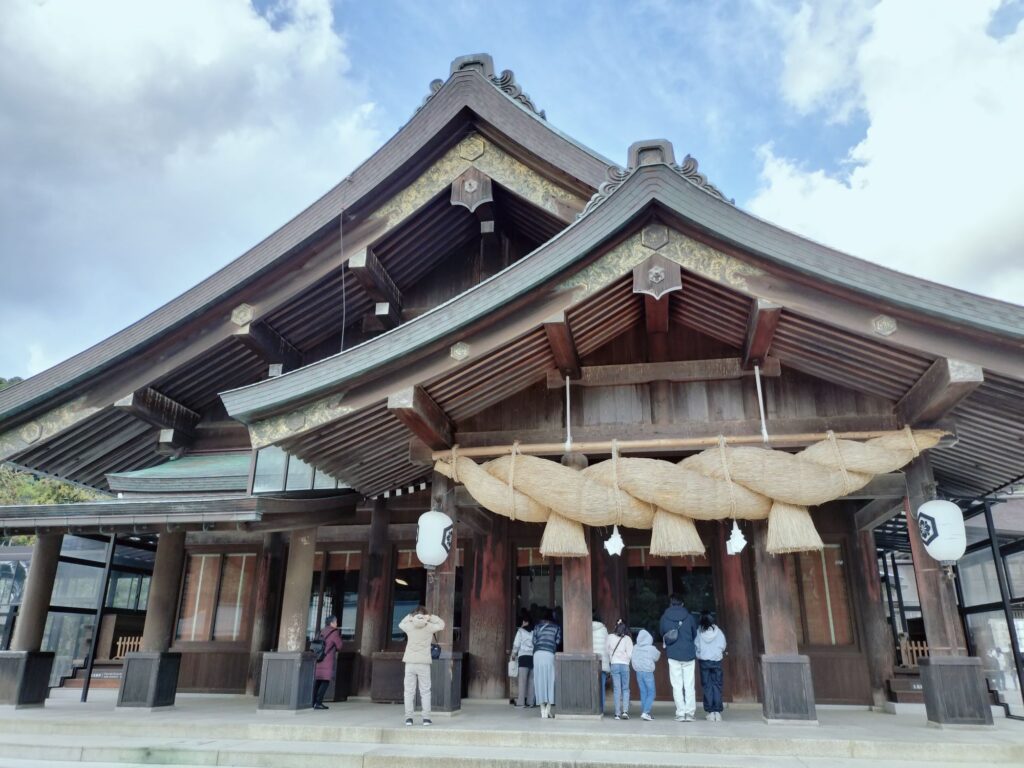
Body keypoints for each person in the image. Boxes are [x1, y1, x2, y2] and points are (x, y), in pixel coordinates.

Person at [399, 605, 444, 726]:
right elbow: (441, 624)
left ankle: (409, 718)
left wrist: (410, 617)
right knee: (425, 691)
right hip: (423, 663)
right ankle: (426, 718)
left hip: (410, 663)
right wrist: (430, 617)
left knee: (409, 691)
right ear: (425, 615)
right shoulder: (429, 626)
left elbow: (400, 624)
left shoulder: (409, 625)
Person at [659, 593, 698, 722]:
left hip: (673, 654)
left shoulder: (665, 617)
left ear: (671, 603)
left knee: (676, 685)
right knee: (689, 685)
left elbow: (662, 632)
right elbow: (694, 634)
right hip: (688, 654)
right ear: (682, 603)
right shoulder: (690, 617)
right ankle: (690, 713)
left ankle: (680, 713)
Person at [696, 612, 727, 721]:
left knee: (707, 686)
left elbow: (696, 646)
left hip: (704, 661)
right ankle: (717, 712)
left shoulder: (699, 632)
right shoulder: (719, 632)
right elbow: (723, 646)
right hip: (716, 661)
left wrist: (700, 654)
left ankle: (710, 711)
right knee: (717, 685)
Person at [532, 608, 562, 718]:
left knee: (539, 680)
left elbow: (534, 641)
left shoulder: (537, 626)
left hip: (537, 654)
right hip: (549, 654)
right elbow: (558, 641)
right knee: (551, 680)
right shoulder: (556, 627)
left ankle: (542, 710)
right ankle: (548, 709)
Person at [312, 614, 344, 710]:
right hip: (327, 660)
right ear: (332, 623)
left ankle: (312, 702)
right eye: (336, 622)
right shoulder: (334, 633)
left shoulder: (321, 631)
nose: (336, 623)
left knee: (317, 682)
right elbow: (339, 646)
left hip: (318, 659)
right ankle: (318, 702)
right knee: (325, 681)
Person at [606, 619, 634, 720]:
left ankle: (617, 713)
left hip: (614, 664)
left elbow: (607, 650)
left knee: (617, 689)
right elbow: (630, 654)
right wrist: (625, 658)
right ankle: (625, 712)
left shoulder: (610, 637)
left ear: (615, 627)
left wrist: (612, 658)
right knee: (625, 688)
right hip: (625, 665)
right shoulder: (628, 639)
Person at [631, 629, 661, 721]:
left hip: (638, 672)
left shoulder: (635, 647)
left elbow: (632, 657)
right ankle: (645, 712)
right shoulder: (651, 648)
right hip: (648, 672)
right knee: (652, 692)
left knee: (643, 692)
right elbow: (657, 657)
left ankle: (645, 712)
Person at [511, 612, 535, 708]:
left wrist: (513, 654)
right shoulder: (534, 632)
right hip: (532, 657)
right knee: (531, 681)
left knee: (522, 681)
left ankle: (521, 702)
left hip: (523, 657)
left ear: (525, 621)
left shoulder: (520, 631)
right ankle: (530, 702)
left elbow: (516, 644)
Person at [592, 613, 609, 715]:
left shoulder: (587, 629)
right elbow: (607, 645)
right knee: (601, 687)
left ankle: (593, 707)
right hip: (602, 662)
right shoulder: (603, 629)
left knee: (591, 686)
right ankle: (601, 709)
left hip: (591, 661)